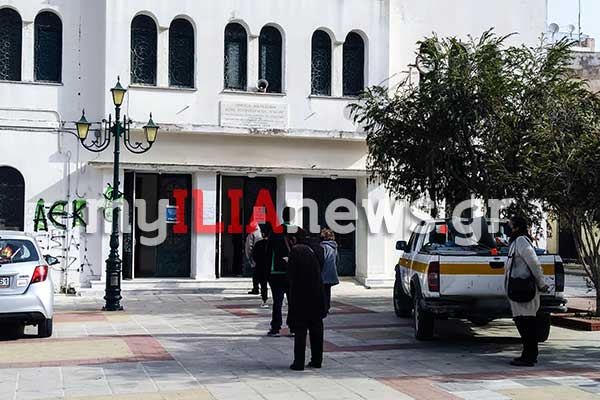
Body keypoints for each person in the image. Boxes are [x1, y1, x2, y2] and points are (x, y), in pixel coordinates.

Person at [505, 215, 550, 367]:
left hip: (524, 290)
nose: (508, 228)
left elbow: (534, 264)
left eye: (510, 225)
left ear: (517, 227)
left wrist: (542, 284)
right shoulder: (516, 242)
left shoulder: (522, 241)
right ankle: (528, 355)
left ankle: (529, 356)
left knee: (526, 324)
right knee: (523, 324)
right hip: (517, 290)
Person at [287, 228, 326, 371]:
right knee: (317, 328)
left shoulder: (296, 251)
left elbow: (291, 275)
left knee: (300, 329)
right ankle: (317, 360)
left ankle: (298, 362)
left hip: (301, 295)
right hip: (317, 293)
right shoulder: (317, 249)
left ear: (294, 239)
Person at [266, 207, 296, 337]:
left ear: (282, 216)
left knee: (277, 302)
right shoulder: (297, 231)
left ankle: (275, 328)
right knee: (293, 302)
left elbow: (268, 252)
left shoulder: (275, 231)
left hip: (276, 272)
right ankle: (293, 327)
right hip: (293, 273)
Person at [320, 229, 339, 315]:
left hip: (324, 272)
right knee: (327, 291)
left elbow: (322, 259)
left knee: (322, 291)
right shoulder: (334, 246)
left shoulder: (323, 246)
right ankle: (327, 306)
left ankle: (323, 307)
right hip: (331, 272)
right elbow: (337, 259)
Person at [252, 223, 272, 308]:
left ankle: (264, 299)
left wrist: (257, 262)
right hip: (270, 267)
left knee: (263, 284)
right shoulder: (272, 244)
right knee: (273, 284)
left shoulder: (258, 244)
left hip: (260, 267)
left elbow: (254, 255)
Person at [245, 219, 264, 295]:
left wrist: (249, 257)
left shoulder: (251, 234)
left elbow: (249, 247)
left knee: (255, 274)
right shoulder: (261, 233)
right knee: (262, 274)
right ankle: (263, 289)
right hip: (262, 257)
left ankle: (256, 289)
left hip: (254, 257)